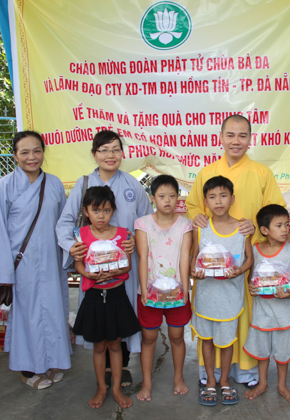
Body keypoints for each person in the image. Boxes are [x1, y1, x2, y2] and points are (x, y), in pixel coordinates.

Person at [186, 114, 285, 388]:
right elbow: (193, 206)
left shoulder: (262, 173)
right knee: (211, 313)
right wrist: (197, 217)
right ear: (221, 137)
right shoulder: (206, 173)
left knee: (247, 313)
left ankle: (246, 370)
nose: (236, 141)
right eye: (230, 135)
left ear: (250, 139)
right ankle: (211, 372)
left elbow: (275, 211)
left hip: (249, 256)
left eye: (242, 135)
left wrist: (257, 226)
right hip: (213, 262)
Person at [56, 130, 152, 388]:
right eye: (104, 150)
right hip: (93, 269)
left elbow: (146, 222)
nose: (111, 155)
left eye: (116, 149)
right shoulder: (84, 184)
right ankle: (105, 369)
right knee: (100, 317)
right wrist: (73, 246)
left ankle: (122, 366)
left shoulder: (132, 185)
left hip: (124, 268)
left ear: (122, 153)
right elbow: (65, 222)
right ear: (94, 154)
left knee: (123, 314)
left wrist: (136, 240)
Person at [0, 131, 71, 390]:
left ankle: (51, 362)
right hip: (21, 265)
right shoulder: (5, 185)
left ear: (43, 152)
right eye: (25, 152)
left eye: (37, 151)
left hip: (51, 261)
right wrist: (3, 273)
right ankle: (28, 370)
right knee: (27, 317)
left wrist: (70, 255)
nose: (32, 157)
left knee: (53, 312)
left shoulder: (54, 184)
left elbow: (63, 225)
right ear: (15, 155)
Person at [72, 186, 139, 409]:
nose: (101, 216)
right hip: (93, 297)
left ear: (113, 210)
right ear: (86, 211)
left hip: (116, 296)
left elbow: (127, 265)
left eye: (107, 210)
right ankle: (101, 388)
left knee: (116, 345)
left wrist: (116, 271)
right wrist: (88, 274)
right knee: (99, 347)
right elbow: (79, 265)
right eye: (96, 210)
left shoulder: (123, 234)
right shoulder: (81, 235)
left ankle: (117, 389)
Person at [191, 176, 253, 406]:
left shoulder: (242, 228)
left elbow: (249, 259)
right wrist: (194, 272)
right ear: (205, 201)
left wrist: (240, 271)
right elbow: (193, 258)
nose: (218, 201)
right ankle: (210, 381)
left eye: (223, 196)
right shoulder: (201, 228)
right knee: (206, 340)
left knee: (226, 342)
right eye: (212, 197)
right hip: (206, 297)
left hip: (230, 299)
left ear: (232, 199)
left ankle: (225, 380)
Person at [134, 175, 193, 402]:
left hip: (177, 294)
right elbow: (142, 257)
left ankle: (178, 378)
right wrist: (143, 290)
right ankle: (146, 383)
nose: (167, 200)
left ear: (178, 197)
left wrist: (185, 290)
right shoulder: (142, 223)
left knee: (177, 336)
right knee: (149, 338)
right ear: (152, 198)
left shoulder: (185, 225)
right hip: (150, 294)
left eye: (171, 196)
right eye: (161, 196)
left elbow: (184, 258)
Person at [243, 204, 290, 403]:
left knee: (282, 351)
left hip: (284, 313)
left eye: (286, 224)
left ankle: (282, 385)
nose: (285, 229)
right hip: (262, 312)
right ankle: (262, 383)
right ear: (264, 230)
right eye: (279, 225)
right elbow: (252, 277)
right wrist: (251, 287)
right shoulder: (256, 250)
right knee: (261, 350)